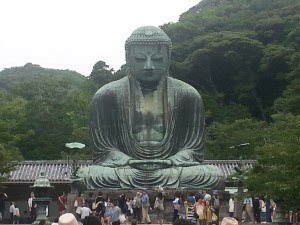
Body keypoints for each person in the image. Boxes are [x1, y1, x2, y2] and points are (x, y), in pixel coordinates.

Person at [77, 26, 224, 189]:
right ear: (128, 57)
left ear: (168, 58)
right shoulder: (107, 95)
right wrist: (129, 161)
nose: (149, 66)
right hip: (127, 168)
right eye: (140, 59)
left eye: (157, 59)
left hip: (172, 168)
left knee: (212, 175)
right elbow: (104, 150)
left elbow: (192, 149)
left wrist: (171, 161)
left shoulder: (188, 95)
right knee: (87, 175)